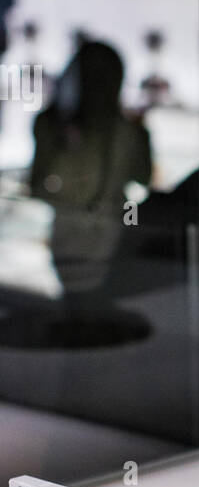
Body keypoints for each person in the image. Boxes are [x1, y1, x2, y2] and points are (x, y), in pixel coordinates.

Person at [31, 41, 151, 298]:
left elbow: (41, 188)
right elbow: (142, 177)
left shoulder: (55, 126)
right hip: (97, 247)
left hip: (98, 247)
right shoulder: (125, 132)